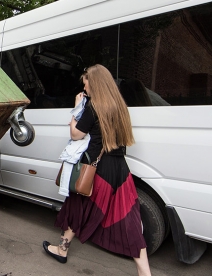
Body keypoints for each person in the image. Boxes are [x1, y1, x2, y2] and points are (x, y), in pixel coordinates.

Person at [43, 65, 151, 276]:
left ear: (95, 83)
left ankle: (61, 250)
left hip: (97, 170)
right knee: (129, 220)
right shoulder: (120, 106)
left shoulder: (93, 107)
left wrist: (76, 109)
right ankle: (145, 273)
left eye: (86, 84)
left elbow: (76, 134)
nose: (85, 88)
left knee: (77, 208)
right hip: (120, 171)